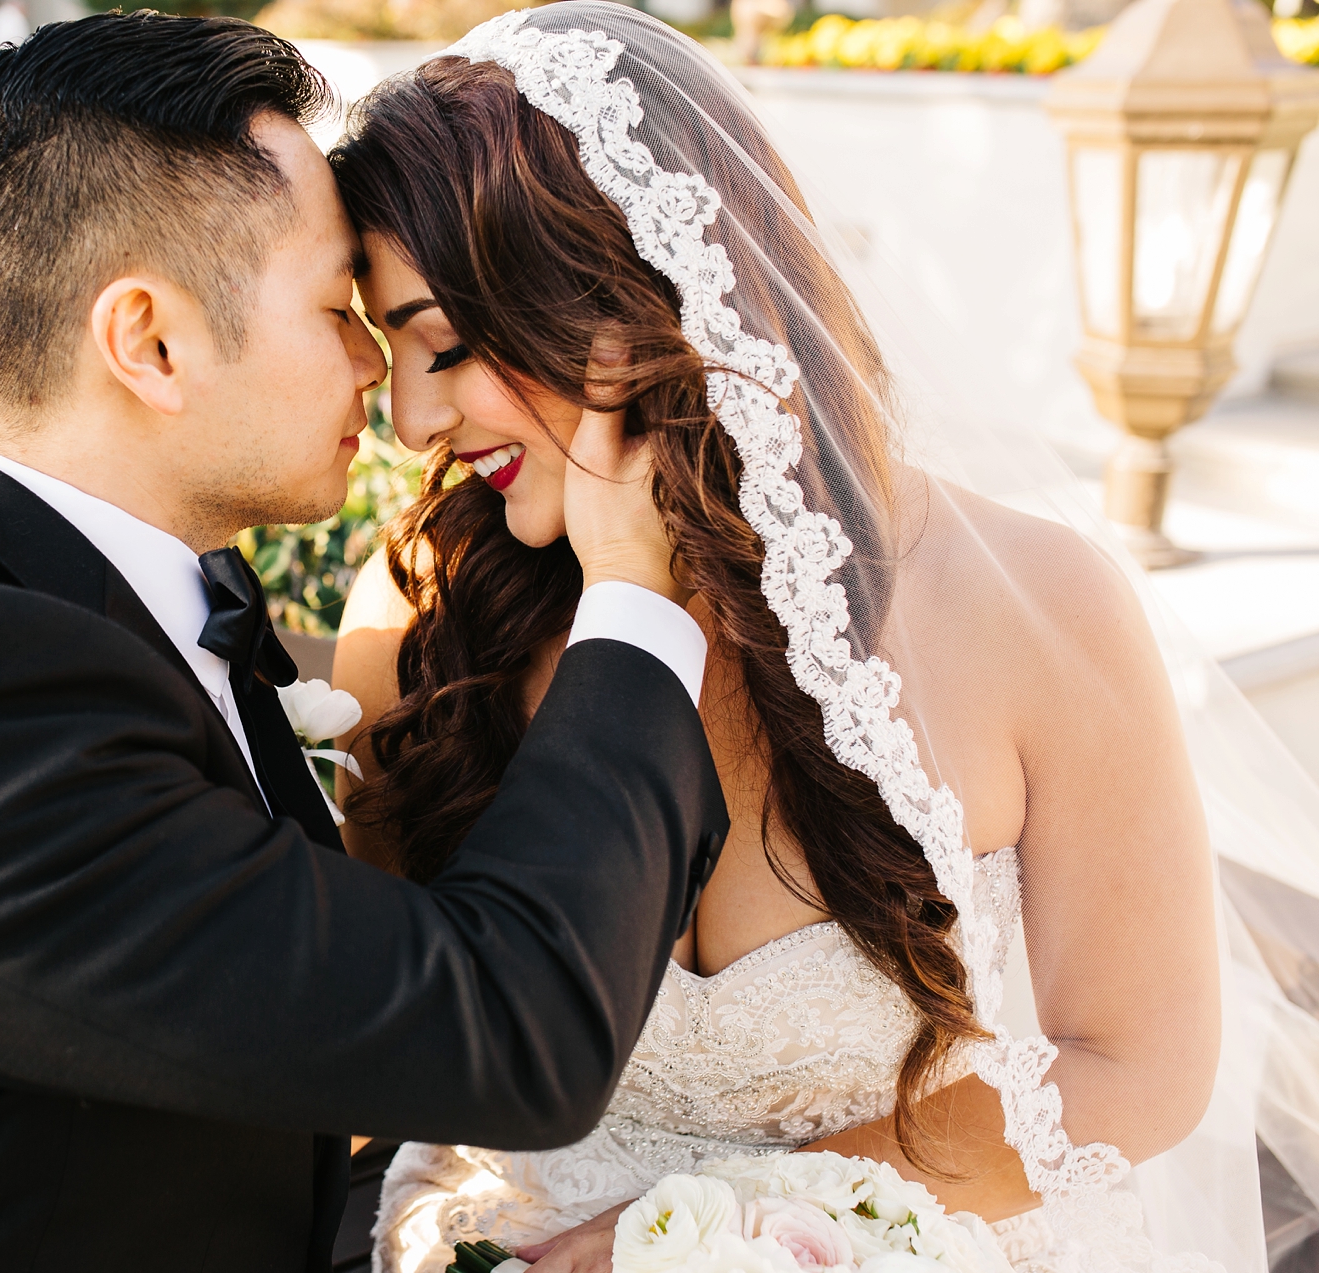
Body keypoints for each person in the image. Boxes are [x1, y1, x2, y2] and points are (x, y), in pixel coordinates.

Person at [0, 12, 730, 1272]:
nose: (378, 376)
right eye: (331, 306)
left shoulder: (110, 611)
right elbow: (513, 1031)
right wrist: (633, 595)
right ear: (149, 342)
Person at [326, 6, 1273, 1270]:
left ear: (619, 292)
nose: (409, 417)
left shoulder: (1037, 602)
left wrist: (684, 1240)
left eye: (442, 344)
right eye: (392, 351)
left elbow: (1137, 1061)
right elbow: (384, 1038)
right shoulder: (422, 619)